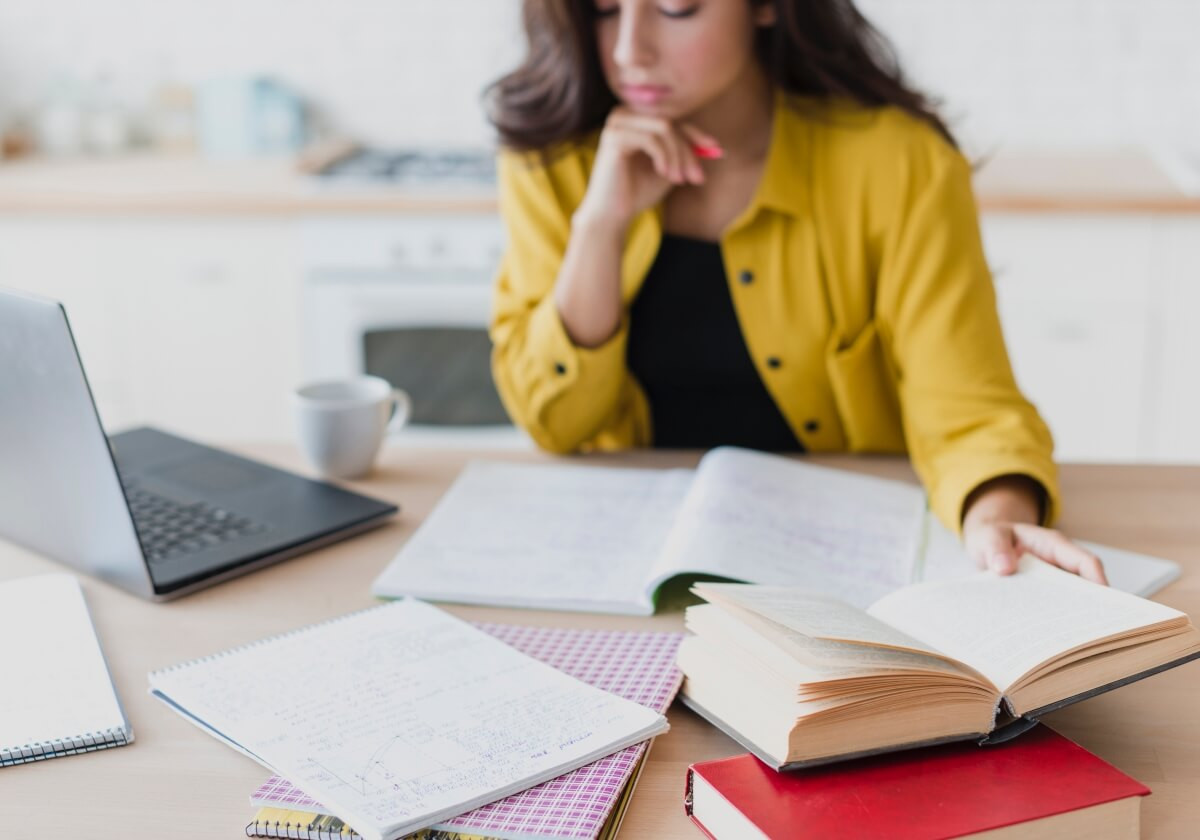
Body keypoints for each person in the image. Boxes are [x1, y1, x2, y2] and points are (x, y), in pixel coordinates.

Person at [485, 0, 1107, 584]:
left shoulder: (901, 166)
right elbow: (555, 423)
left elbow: (970, 412)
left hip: (844, 572)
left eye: (676, 8)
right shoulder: (552, 162)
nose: (628, 51)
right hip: (625, 570)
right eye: (605, 10)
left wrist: (994, 517)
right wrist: (600, 225)